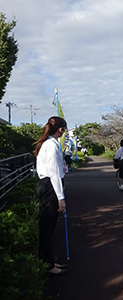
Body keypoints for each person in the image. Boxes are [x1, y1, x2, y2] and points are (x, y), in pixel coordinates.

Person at [33, 116, 69, 275]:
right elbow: (54, 173)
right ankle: (47, 265)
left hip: (46, 185)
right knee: (47, 227)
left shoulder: (46, 144)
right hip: (50, 187)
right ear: (60, 129)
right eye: (64, 130)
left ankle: (49, 261)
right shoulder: (52, 146)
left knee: (47, 226)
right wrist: (61, 199)